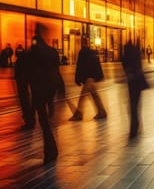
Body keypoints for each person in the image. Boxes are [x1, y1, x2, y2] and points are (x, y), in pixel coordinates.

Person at [27, 30, 62, 164]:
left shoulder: (33, 52)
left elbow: (28, 72)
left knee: (43, 121)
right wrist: (60, 87)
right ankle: (51, 150)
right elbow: (56, 71)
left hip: (38, 89)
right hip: (50, 87)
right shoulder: (52, 51)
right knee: (45, 118)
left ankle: (51, 150)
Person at [69, 36, 107, 121]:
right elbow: (97, 65)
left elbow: (79, 66)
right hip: (91, 77)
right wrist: (99, 76)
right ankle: (102, 112)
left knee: (83, 96)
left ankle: (78, 114)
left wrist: (77, 78)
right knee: (94, 95)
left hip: (88, 78)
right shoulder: (92, 52)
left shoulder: (82, 52)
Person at [122, 39, 148, 138]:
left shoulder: (128, 56)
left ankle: (134, 128)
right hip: (138, 83)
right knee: (135, 105)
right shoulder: (136, 55)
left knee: (133, 105)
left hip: (132, 83)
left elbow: (125, 64)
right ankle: (136, 125)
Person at [14, 45, 35, 130]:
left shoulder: (20, 61)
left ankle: (29, 121)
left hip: (22, 83)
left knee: (25, 101)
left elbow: (19, 72)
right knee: (27, 101)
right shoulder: (25, 59)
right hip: (25, 82)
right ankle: (30, 120)